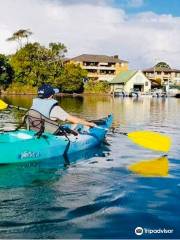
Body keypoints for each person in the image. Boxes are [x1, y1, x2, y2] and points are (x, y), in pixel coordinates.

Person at [30, 84, 96, 128]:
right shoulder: (54, 109)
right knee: (78, 125)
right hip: (49, 133)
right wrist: (90, 124)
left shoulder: (34, 105)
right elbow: (72, 119)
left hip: (35, 130)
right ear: (51, 96)